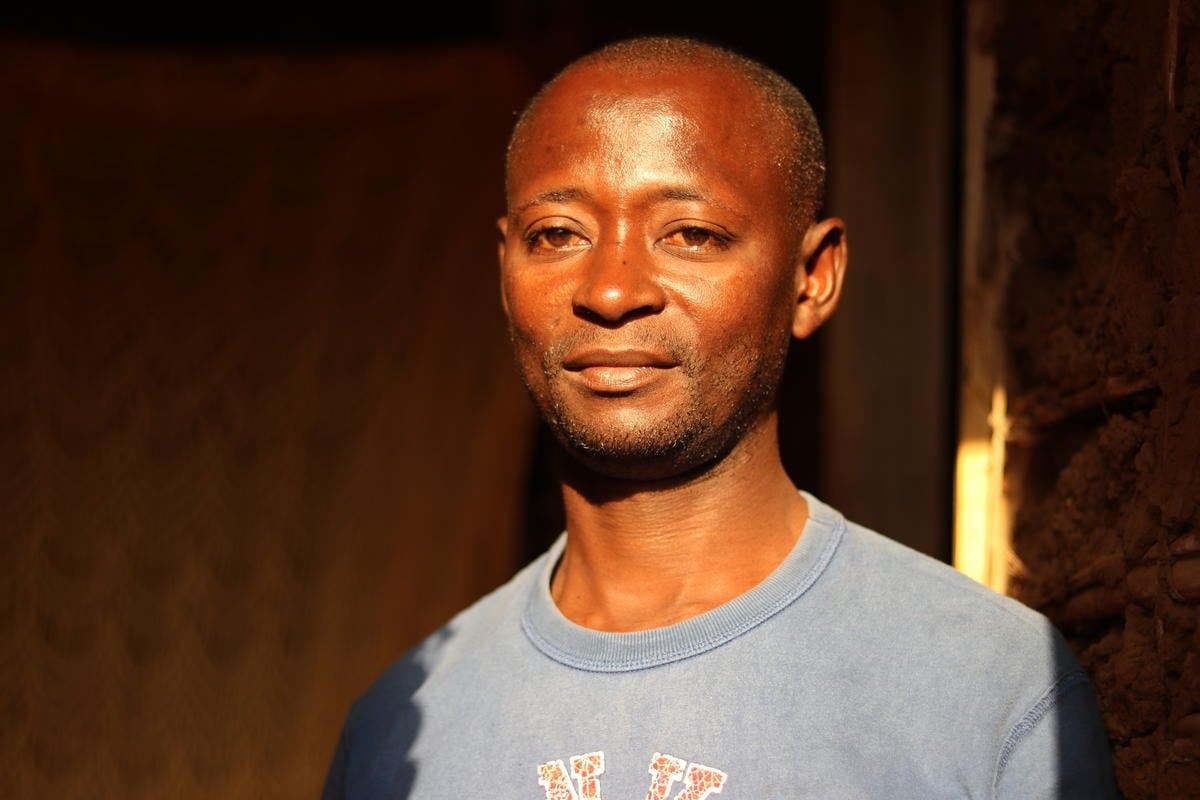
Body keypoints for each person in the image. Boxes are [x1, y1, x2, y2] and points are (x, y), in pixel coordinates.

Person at [321, 35, 1119, 799]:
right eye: (557, 234)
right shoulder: (399, 731)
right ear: (506, 273)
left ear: (811, 278)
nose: (609, 290)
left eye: (691, 234)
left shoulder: (988, 690)